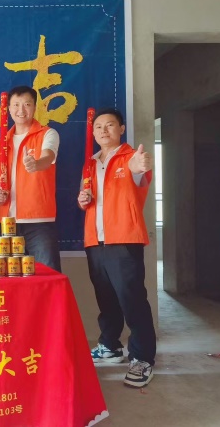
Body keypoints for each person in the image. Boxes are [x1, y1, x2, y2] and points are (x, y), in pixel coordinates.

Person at [77, 107, 156, 388]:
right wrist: (83, 199)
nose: (104, 130)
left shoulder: (131, 157)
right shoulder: (90, 163)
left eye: (110, 125)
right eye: (98, 126)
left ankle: (142, 357)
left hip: (124, 239)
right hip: (95, 240)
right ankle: (110, 345)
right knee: (106, 298)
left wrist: (140, 165)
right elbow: (85, 199)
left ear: (121, 129)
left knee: (131, 298)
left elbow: (140, 172)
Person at [0, 86, 61, 271]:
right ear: (8, 108)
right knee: (12, 279)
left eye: (27, 104)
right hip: (8, 222)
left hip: (38, 221)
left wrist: (36, 164)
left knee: (47, 275)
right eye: (16, 105)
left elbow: (48, 157)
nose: (21, 110)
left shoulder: (47, 133)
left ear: (35, 107)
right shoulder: (1, 143)